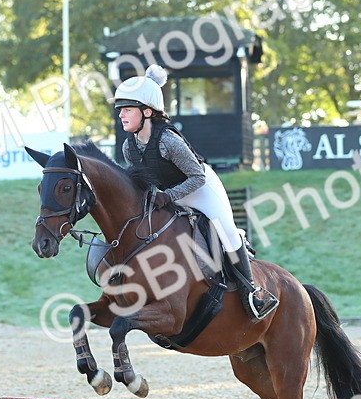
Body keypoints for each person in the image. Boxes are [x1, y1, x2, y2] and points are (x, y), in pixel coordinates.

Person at [113, 65, 278, 321]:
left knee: (227, 232)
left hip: (201, 189)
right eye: (120, 110)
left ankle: (252, 294)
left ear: (147, 112)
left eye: (127, 110)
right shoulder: (128, 147)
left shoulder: (168, 140)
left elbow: (197, 177)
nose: (121, 115)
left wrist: (168, 196)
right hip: (169, 193)